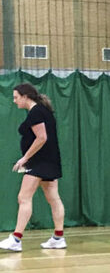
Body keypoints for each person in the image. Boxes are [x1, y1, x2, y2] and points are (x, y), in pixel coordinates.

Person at [1, 83, 67, 252]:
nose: (14, 101)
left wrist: (24, 158)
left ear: (25, 96)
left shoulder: (37, 111)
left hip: (40, 162)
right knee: (53, 197)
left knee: (24, 197)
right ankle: (58, 238)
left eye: (16, 97)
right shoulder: (43, 111)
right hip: (50, 160)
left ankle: (16, 239)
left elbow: (42, 138)